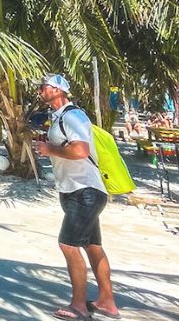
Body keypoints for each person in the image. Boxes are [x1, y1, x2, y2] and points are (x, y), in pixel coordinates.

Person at [33, 74, 118, 320]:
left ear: (58, 90)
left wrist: (49, 149)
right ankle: (106, 302)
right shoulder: (59, 117)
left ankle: (79, 306)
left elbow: (81, 151)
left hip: (85, 191)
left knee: (68, 245)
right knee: (92, 246)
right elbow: (67, 148)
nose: (41, 91)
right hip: (74, 190)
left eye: (44, 87)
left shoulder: (73, 116)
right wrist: (48, 147)